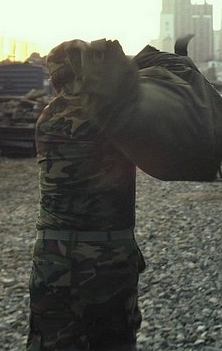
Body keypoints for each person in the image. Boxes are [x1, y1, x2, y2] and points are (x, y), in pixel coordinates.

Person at [27, 39, 146, 350]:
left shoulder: (47, 118)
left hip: (52, 257)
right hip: (107, 258)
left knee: (51, 341)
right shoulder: (109, 113)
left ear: (56, 78)